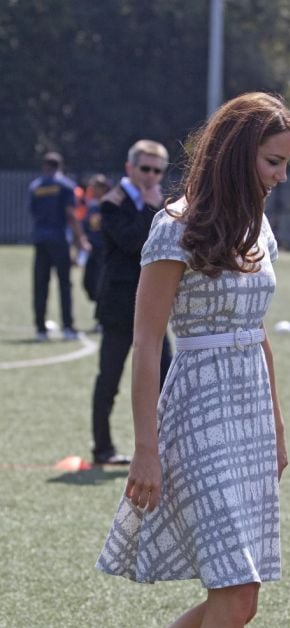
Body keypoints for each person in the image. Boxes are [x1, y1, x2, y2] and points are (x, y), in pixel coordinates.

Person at [79, 92, 290, 628]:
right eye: (272, 162)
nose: (280, 176)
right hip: (196, 410)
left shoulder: (258, 222)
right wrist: (144, 446)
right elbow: (147, 343)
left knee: (239, 598)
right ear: (239, 154)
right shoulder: (172, 226)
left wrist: (273, 421)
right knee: (234, 592)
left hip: (245, 410)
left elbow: (258, 328)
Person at [91, 140, 173, 466]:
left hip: (152, 309)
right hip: (118, 307)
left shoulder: (161, 204)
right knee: (108, 379)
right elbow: (134, 244)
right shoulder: (112, 203)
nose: (151, 176)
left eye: (157, 170)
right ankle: (102, 448)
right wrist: (152, 208)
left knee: (167, 380)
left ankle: (167, 449)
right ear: (130, 168)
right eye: (145, 168)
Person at [28, 151, 90, 341]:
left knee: (40, 284)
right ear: (60, 166)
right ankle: (68, 327)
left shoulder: (35, 187)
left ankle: (40, 329)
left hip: (40, 239)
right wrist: (81, 240)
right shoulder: (65, 186)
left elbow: (33, 212)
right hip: (59, 240)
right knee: (64, 283)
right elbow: (71, 214)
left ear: (44, 166)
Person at [81, 174, 112, 317]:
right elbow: (86, 226)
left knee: (101, 283)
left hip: (105, 251)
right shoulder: (93, 206)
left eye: (96, 187)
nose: (93, 190)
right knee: (88, 282)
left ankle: (101, 315)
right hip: (93, 249)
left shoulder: (110, 205)